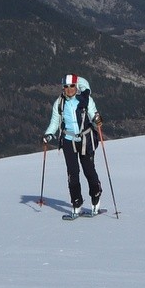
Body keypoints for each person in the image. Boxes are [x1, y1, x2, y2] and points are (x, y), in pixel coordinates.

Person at [43, 73, 103, 215]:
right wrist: (49, 134)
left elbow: (93, 115)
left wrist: (97, 120)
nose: (69, 89)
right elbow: (55, 122)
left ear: (76, 86)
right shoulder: (59, 103)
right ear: (63, 88)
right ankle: (76, 202)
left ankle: (95, 196)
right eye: (66, 86)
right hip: (69, 141)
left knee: (89, 171)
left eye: (71, 86)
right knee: (72, 173)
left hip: (85, 140)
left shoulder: (85, 100)